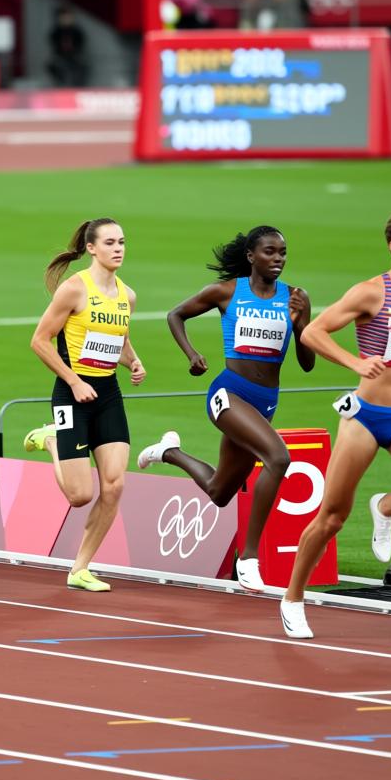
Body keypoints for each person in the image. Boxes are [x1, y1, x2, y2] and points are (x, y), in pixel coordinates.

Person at [280, 208, 391, 639]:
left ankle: (386, 507)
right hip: (365, 418)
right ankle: (293, 598)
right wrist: (355, 363)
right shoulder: (369, 293)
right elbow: (313, 333)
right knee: (332, 517)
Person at [135, 227, 314, 592]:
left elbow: (308, 364)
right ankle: (249, 558)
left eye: (282, 252)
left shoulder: (296, 297)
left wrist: (299, 327)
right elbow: (175, 315)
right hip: (228, 394)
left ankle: (168, 452)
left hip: (265, 402)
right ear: (251, 256)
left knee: (219, 492)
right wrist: (192, 354)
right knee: (278, 458)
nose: (278, 259)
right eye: (270, 251)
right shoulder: (228, 292)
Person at [23, 218, 146, 592]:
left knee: (114, 485)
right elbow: (40, 341)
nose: (118, 249)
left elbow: (117, 339)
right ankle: (50, 440)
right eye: (109, 243)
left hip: (107, 394)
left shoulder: (127, 296)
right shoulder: (74, 289)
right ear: (91, 248)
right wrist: (74, 382)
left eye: (122, 242)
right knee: (80, 496)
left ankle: (80, 568)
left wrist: (133, 361)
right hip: (71, 394)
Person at [47, 5, 88, 88]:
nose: (66, 19)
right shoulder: (56, 32)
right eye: (63, 17)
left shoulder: (77, 32)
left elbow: (80, 46)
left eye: (68, 16)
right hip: (60, 57)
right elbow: (54, 46)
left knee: (81, 66)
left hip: (75, 57)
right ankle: (62, 85)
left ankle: (77, 86)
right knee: (54, 65)